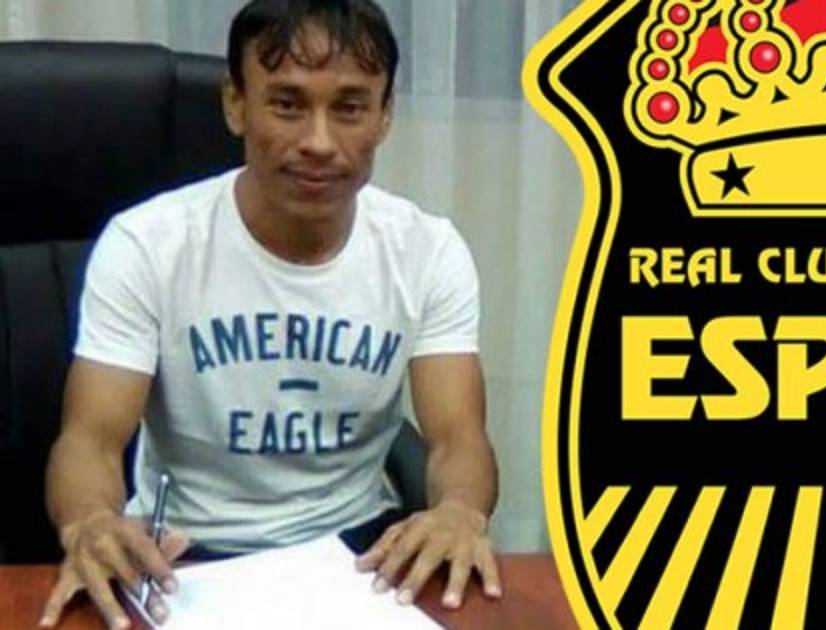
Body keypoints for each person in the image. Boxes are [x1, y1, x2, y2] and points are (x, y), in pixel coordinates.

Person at [38, 1, 501, 628]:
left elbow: (457, 439)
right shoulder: (148, 245)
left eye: (350, 108)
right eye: (287, 104)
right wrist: (90, 522)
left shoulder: (426, 251)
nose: (318, 142)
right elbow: (89, 440)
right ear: (236, 104)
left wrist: (459, 512)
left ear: (385, 114)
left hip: (359, 555)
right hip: (183, 556)